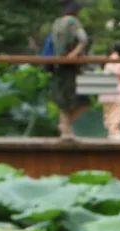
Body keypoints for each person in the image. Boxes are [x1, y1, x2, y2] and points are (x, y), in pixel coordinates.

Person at [50, 1, 90, 140]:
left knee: (63, 101)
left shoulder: (56, 23)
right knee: (82, 101)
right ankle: (65, 128)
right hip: (72, 66)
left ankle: (65, 131)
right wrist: (74, 54)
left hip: (57, 64)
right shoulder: (74, 22)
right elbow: (84, 39)